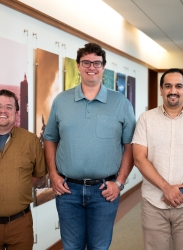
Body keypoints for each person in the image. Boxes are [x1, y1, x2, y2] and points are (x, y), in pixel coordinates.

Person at [43, 42, 136, 250]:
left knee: (99, 247)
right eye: (86, 62)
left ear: (103, 67)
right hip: (68, 190)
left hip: (105, 190)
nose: (91, 67)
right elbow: (49, 138)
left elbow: (130, 145)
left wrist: (119, 183)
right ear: (78, 66)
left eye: (96, 63)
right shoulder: (61, 101)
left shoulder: (121, 103)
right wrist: (53, 175)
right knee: (71, 247)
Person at [132, 68, 183, 250]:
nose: (173, 91)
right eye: (168, 86)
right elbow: (139, 158)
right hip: (153, 203)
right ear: (161, 90)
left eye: (178, 86)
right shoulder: (146, 119)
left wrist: (181, 191)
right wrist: (166, 188)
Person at [0, 89, 47, 250]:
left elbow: (39, 173)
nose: (3, 111)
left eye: (8, 107)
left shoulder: (31, 141)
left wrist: (19, 186)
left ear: (16, 112)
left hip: (20, 224)